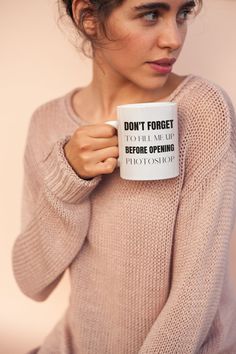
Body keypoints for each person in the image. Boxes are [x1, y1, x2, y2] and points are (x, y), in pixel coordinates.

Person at [12, 0, 236, 353]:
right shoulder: (47, 123)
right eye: (151, 14)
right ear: (87, 16)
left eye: (183, 14)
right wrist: (67, 180)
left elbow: (197, 289)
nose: (173, 39)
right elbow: (31, 282)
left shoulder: (202, 109)